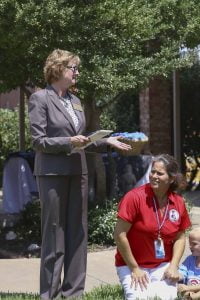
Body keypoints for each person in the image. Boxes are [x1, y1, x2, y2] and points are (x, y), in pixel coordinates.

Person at [28, 49, 131, 300]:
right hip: (52, 173)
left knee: (78, 233)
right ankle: (49, 295)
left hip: (78, 172)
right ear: (58, 69)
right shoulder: (40, 98)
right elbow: (38, 141)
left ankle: (73, 293)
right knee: (55, 233)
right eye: (73, 67)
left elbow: (82, 141)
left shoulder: (75, 100)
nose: (77, 72)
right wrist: (68, 141)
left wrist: (107, 141)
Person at [114, 153, 191, 300]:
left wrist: (174, 266)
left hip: (162, 265)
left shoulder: (178, 202)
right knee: (138, 298)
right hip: (132, 264)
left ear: (171, 178)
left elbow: (180, 237)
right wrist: (135, 268)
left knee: (165, 298)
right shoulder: (134, 197)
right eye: (153, 171)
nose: (154, 176)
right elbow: (119, 234)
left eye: (160, 173)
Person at [178, 227, 200, 300]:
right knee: (179, 286)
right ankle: (189, 296)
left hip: (193, 289)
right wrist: (178, 276)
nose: (190, 246)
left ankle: (192, 297)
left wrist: (188, 288)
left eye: (194, 244)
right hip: (189, 289)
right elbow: (182, 272)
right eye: (190, 243)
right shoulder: (189, 259)